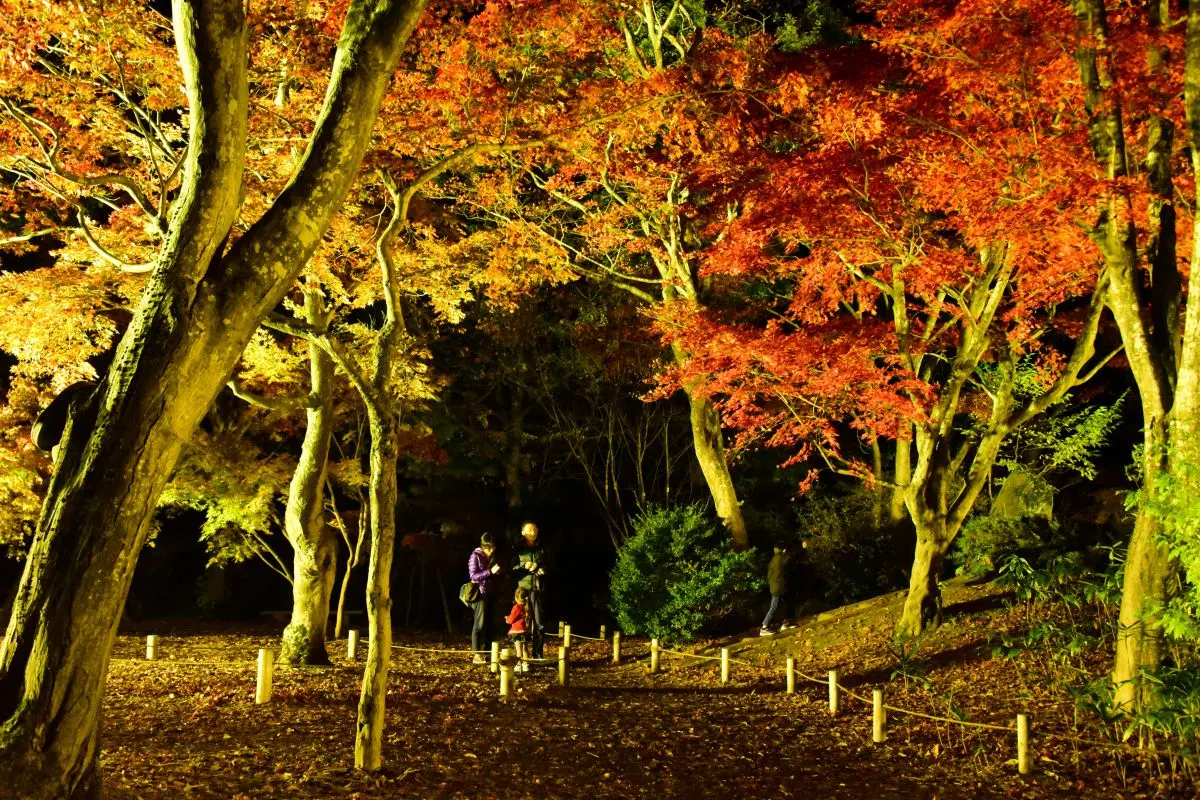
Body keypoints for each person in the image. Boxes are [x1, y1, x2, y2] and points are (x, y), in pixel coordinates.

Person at [512, 521, 548, 659]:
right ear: (523, 532)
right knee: (521, 622)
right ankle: (522, 655)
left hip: (537, 588)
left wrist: (542, 569)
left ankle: (537, 653)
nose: (532, 532)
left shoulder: (542, 549)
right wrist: (523, 567)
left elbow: (548, 565)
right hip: (522, 589)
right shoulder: (517, 549)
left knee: (539, 623)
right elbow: (511, 570)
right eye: (529, 529)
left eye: (535, 529)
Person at [468, 532, 503, 663]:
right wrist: (489, 572)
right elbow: (473, 576)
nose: (491, 550)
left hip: (491, 592)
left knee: (490, 624)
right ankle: (476, 653)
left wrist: (498, 572)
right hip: (479, 593)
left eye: (492, 547)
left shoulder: (494, 556)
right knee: (480, 623)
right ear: (482, 547)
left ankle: (489, 652)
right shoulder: (475, 556)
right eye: (488, 548)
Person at [760, 544, 796, 636]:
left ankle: (786, 623)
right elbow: (790, 559)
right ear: (783, 550)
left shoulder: (774, 559)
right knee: (774, 607)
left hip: (776, 586)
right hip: (778, 587)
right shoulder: (780, 558)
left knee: (788, 602)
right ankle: (764, 627)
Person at [505, 587, 531, 673]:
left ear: (516, 597)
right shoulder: (527, 607)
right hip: (525, 631)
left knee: (518, 650)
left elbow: (511, 620)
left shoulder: (516, 607)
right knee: (525, 649)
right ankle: (526, 665)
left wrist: (507, 619)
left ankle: (518, 666)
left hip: (517, 631)